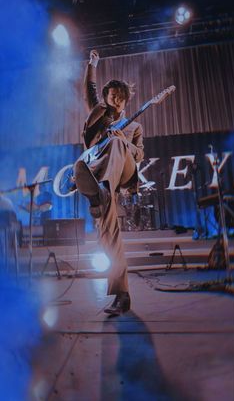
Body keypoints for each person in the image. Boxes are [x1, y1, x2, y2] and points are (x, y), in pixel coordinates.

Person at [74, 50, 144, 316]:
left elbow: (139, 154)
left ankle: (101, 189)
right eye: (111, 95)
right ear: (105, 98)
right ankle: (122, 296)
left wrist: (124, 139)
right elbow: (88, 89)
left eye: (119, 95)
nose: (115, 98)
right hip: (101, 173)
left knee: (116, 141)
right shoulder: (99, 114)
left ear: (126, 99)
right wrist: (92, 64)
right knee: (109, 234)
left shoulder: (133, 127)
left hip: (122, 170)